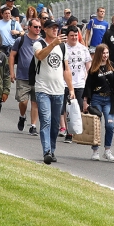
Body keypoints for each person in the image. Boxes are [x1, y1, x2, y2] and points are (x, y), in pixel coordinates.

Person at [32, 20, 75, 164]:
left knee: (56, 123)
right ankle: (47, 151)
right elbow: (40, 56)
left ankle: (52, 149)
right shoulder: (39, 43)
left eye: (57, 28)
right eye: (52, 28)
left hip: (59, 90)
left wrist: (71, 89)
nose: (55, 30)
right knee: (46, 120)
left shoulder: (63, 47)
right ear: (45, 29)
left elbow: (66, 69)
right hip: (43, 89)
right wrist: (53, 44)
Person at [83, 44, 114, 162]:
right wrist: (85, 102)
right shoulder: (94, 68)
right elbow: (88, 86)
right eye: (103, 53)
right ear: (99, 54)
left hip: (109, 99)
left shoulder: (111, 65)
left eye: (107, 53)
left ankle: (107, 150)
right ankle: (95, 151)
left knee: (110, 125)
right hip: (96, 99)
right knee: (96, 125)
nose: (105, 55)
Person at [11, 17, 43, 136]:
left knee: (35, 103)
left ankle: (33, 126)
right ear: (29, 27)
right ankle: (22, 116)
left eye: (39, 27)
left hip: (37, 77)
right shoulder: (21, 39)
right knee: (23, 102)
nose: (38, 29)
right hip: (22, 77)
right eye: (35, 27)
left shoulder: (42, 42)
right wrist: (12, 72)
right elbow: (12, 55)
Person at [62, 25, 91, 142]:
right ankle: (68, 132)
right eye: (71, 36)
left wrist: (87, 78)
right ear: (67, 36)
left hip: (80, 83)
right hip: (65, 83)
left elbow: (88, 65)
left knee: (78, 107)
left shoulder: (83, 49)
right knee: (67, 108)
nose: (74, 38)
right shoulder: (63, 48)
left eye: (75, 35)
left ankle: (76, 130)